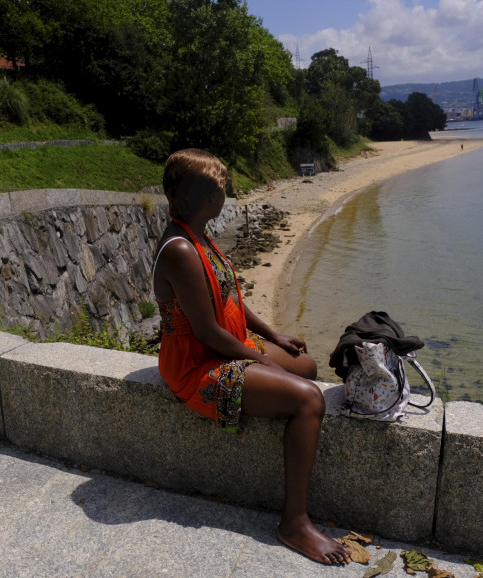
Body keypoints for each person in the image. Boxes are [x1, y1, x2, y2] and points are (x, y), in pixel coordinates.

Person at [152, 148, 351, 565]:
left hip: (224, 341)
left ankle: (280, 399)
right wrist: (264, 362)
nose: (225, 196)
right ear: (208, 198)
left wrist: (273, 335)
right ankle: (294, 522)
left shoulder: (197, 234)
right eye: (222, 190)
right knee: (309, 398)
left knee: (307, 366)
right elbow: (205, 332)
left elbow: (227, 299)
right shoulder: (181, 250)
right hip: (199, 364)